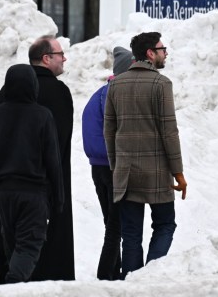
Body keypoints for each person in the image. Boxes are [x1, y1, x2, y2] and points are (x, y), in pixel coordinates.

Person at [103, 32, 188, 279]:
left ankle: (131, 283)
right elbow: (169, 132)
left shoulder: (115, 84)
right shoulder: (161, 84)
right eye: (162, 48)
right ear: (150, 53)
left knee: (130, 234)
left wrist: (115, 166)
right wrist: (178, 173)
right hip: (157, 173)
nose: (166, 52)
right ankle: (151, 277)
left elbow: (109, 130)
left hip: (126, 173)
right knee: (164, 225)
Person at [0, 35, 75, 281]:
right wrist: (57, 195)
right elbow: (57, 149)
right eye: (61, 55)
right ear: (47, 58)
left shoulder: (6, 94)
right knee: (34, 244)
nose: (65, 59)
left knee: (11, 244)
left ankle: (11, 278)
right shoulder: (58, 93)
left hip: (4, 187)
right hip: (38, 188)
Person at [0, 64, 64, 283]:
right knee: (28, 246)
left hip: (3, 194)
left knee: (12, 246)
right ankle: (12, 286)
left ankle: (11, 286)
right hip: (33, 193)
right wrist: (58, 198)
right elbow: (53, 161)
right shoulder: (42, 116)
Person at [82, 46, 133, 280]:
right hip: (113, 167)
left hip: (98, 167)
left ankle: (113, 273)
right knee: (115, 228)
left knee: (111, 223)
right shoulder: (117, 93)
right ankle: (105, 277)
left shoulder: (100, 92)